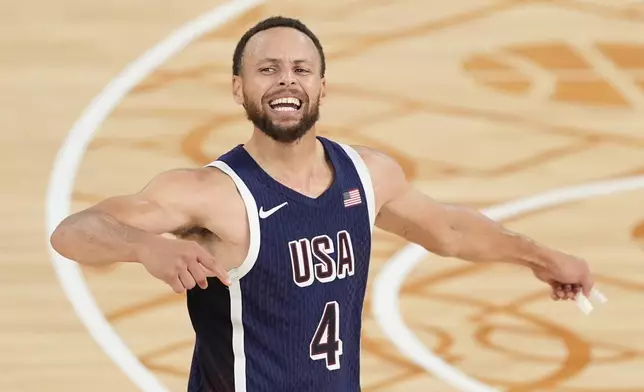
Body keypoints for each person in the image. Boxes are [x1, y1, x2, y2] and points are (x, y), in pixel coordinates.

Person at [50, 15, 594, 392]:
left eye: (300, 69)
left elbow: (450, 230)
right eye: (267, 70)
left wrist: (544, 258)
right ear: (238, 89)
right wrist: (145, 246)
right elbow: (73, 231)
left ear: (321, 86)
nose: (286, 80)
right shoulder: (209, 193)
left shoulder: (367, 174)